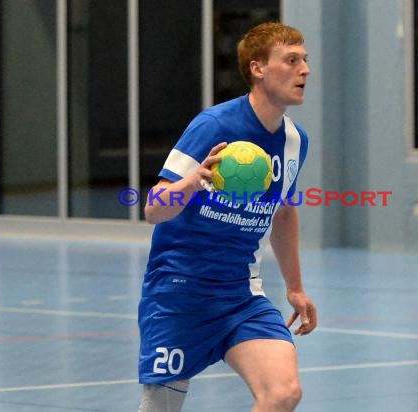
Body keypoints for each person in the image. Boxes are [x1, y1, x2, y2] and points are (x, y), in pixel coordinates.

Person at [138, 22, 317, 412]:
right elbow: (153, 208)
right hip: (180, 291)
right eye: (291, 61)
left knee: (283, 393)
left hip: (241, 295)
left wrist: (295, 287)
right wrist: (193, 181)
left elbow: (283, 212)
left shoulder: (295, 141)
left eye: (305, 60)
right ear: (258, 69)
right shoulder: (214, 126)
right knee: (160, 407)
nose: (305, 70)